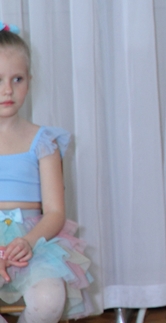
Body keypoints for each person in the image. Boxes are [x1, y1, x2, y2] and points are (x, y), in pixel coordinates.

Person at [0, 23, 93, 322]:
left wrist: (28, 242)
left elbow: (55, 212)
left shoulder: (44, 142)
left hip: (34, 239)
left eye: (17, 79)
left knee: (49, 301)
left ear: (29, 80)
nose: (7, 90)